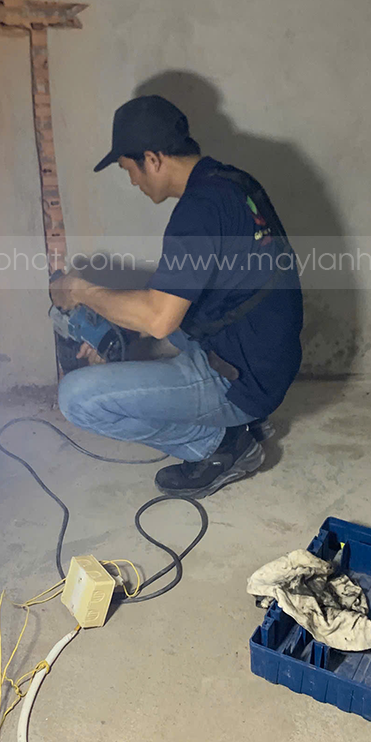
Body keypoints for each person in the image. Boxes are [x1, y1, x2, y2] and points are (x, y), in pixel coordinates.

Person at [51, 95, 303, 498]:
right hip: (269, 357)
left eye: (129, 169)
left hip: (243, 380)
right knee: (157, 301)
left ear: (152, 159)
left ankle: (219, 446)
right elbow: (178, 294)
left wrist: (81, 291)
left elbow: (159, 318)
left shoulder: (196, 212)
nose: (132, 181)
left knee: (76, 399)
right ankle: (243, 420)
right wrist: (118, 333)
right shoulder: (231, 183)